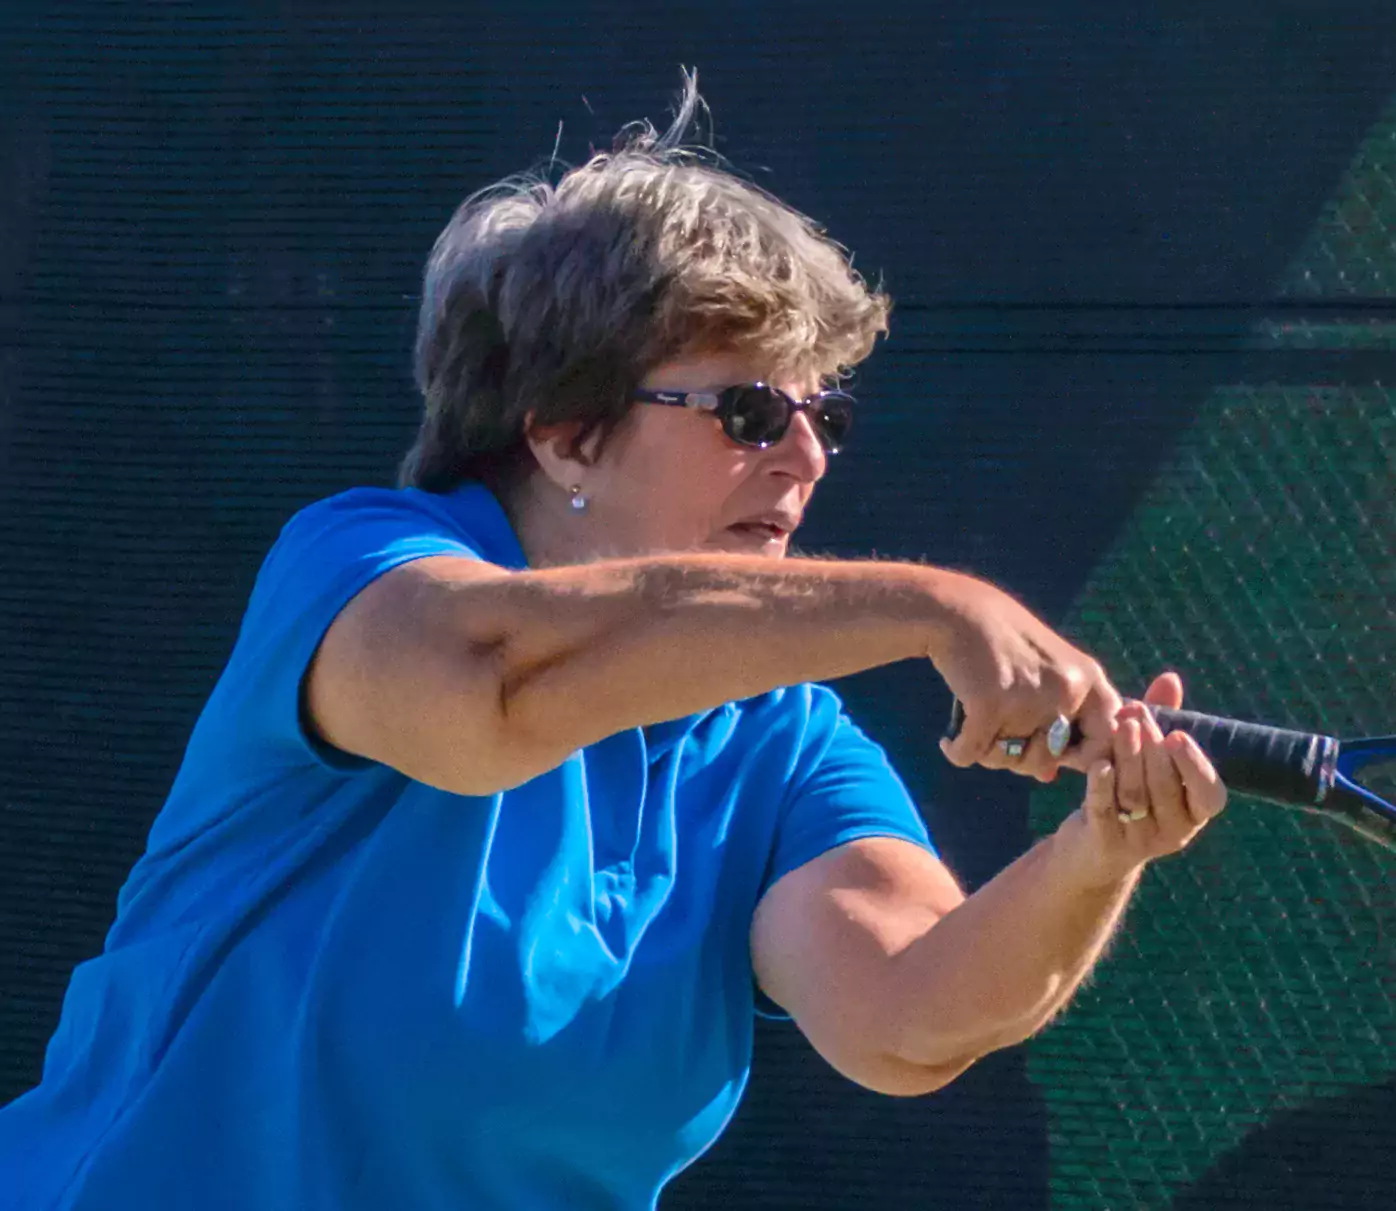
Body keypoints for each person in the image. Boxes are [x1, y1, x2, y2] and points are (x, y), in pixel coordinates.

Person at [0, 81, 1225, 1210]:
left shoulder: (780, 740)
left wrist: (1091, 856)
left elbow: (906, 1016)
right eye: (749, 410)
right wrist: (930, 606)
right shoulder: (359, 565)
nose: (804, 456)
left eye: (823, 415)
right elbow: (484, 701)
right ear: (565, 431)